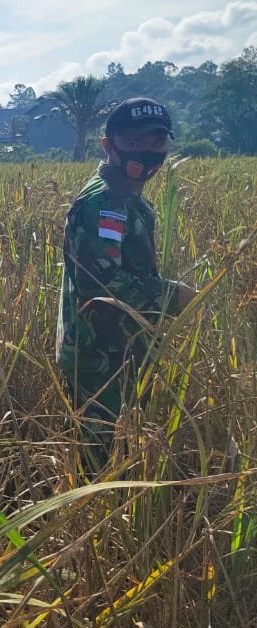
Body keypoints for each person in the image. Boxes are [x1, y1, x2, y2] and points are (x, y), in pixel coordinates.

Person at [56, 97, 196, 467]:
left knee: (125, 447)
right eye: (133, 143)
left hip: (121, 347)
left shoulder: (127, 198)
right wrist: (174, 296)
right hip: (99, 354)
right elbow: (99, 282)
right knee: (105, 460)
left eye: (157, 143)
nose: (147, 154)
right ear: (109, 146)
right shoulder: (104, 202)